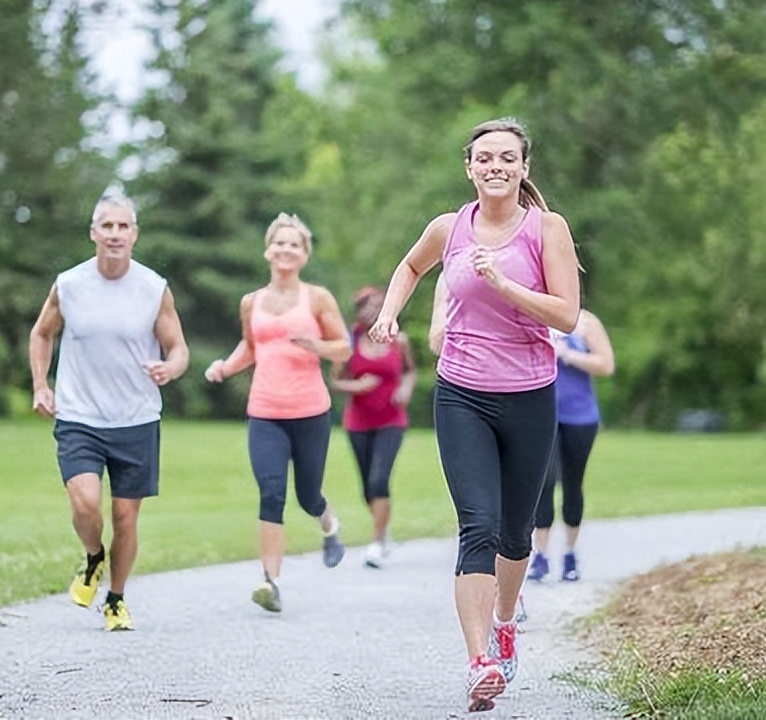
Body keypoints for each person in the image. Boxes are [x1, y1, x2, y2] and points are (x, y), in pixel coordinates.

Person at [368, 119, 580, 712]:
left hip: (531, 395)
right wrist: (389, 315)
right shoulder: (448, 227)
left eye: (506, 158)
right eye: (484, 158)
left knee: (516, 534)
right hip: (462, 394)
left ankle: (506, 622)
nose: (495, 167)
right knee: (478, 526)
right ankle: (479, 660)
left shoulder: (548, 229)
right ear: (469, 167)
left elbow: (566, 315)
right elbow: (410, 267)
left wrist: (506, 283)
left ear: (523, 168)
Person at [29, 191, 190, 632]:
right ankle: (93, 556)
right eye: (107, 226)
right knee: (85, 502)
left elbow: (178, 348)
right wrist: (42, 384)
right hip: (79, 414)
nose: (115, 234)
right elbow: (42, 333)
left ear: (135, 234)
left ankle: (116, 599)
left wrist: (170, 368)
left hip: (136, 417)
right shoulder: (70, 284)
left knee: (125, 516)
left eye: (124, 226)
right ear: (93, 233)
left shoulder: (153, 288)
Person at [204, 213, 352, 613]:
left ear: (304, 255)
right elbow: (250, 348)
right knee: (271, 493)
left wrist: (316, 347)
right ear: (268, 250)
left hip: (310, 412)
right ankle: (270, 582)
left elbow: (344, 347)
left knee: (307, 496)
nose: (286, 249)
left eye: (294, 244)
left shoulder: (317, 298)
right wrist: (224, 366)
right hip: (265, 411)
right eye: (280, 243)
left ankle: (328, 523)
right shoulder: (251, 302)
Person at [330, 286, 417, 569]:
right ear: (358, 311)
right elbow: (336, 381)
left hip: (391, 420)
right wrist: (357, 386)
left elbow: (410, 371)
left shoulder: (398, 340)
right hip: (358, 422)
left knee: (380, 480)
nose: (373, 310)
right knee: (368, 486)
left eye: (378, 305)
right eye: (366, 306)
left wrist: (405, 389)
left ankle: (377, 543)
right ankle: (383, 527)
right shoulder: (350, 342)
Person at [528, 309, 615, 583]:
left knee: (572, 482)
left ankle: (570, 553)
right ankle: (540, 554)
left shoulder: (586, 322)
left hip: (580, 416)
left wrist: (568, 354)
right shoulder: (534, 314)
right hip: (543, 414)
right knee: (545, 480)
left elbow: (606, 365)